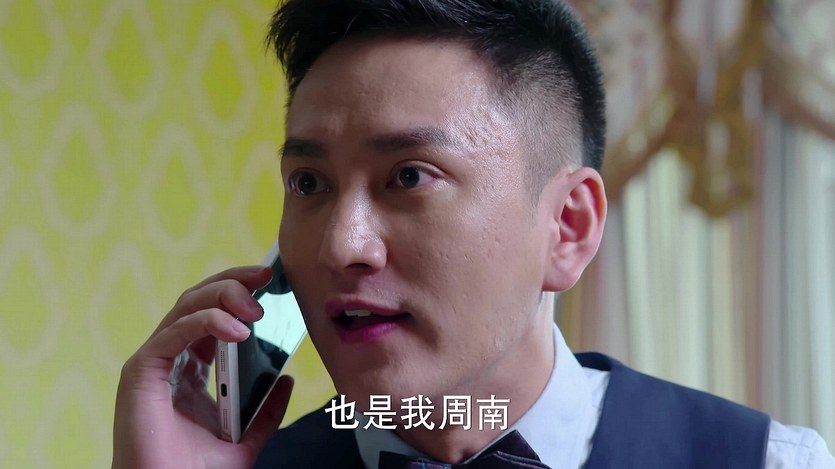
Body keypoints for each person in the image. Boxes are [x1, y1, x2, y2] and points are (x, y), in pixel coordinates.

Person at [112, 0, 835, 467]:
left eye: (408, 176)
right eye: (309, 183)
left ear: (567, 227)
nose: (340, 245)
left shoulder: (766, 460)